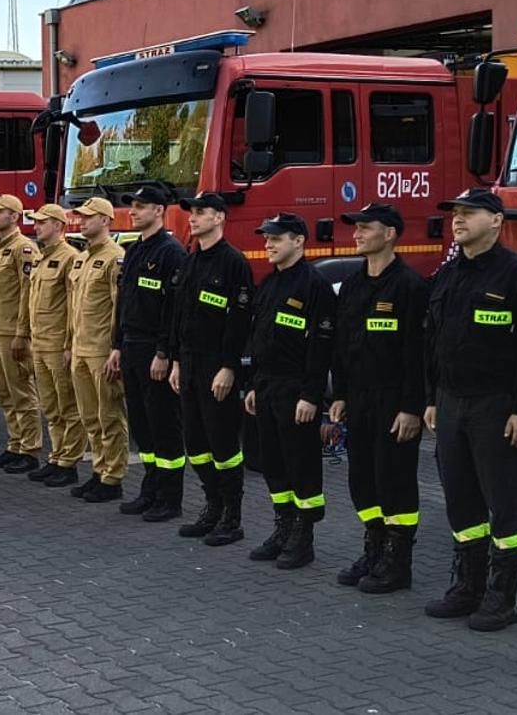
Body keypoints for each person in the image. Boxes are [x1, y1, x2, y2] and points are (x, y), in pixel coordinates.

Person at [423, 188, 517, 632]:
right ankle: (467, 586)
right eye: (454, 212)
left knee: (505, 503)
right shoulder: (449, 274)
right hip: (452, 403)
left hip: (497, 406)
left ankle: (501, 597)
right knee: (461, 499)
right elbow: (433, 342)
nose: (458, 219)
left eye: (469, 213)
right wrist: (432, 398)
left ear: (496, 220)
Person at [328, 203, 429, 592]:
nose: (356, 234)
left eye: (365, 228)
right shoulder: (353, 285)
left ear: (389, 234)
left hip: (394, 402)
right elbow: (342, 344)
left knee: (395, 481)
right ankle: (374, 547)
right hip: (359, 399)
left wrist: (411, 407)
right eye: (356, 227)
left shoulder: (409, 287)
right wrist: (339, 394)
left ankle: (397, 560)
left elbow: (416, 355)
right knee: (362, 480)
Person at [242, 213, 335, 568]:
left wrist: (312, 396)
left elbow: (321, 347)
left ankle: (303, 536)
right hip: (267, 387)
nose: (268, 244)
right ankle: (283, 525)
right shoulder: (269, 284)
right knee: (274, 464)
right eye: (267, 238)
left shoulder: (314, 286)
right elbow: (261, 339)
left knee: (302, 464)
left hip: (297, 389)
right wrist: (253, 385)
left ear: (298, 240)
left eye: (276, 238)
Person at [162, 193, 253, 547]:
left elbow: (240, 321)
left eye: (201, 213)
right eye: (192, 213)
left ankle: (232, 516)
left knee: (223, 444)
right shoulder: (190, 261)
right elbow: (178, 316)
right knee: (196, 444)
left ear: (219, 218)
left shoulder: (233, 263)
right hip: (189, 363)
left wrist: (230, 367)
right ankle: (212, 506)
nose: (193, 218)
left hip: (217, 366)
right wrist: (176, 361)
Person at [113, 185, 187, 522]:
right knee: (142, 425)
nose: (134, 212)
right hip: (130, 346)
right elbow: (124, 303)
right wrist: (116, 345)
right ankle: (150, 487)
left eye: (141, 207)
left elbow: (174, 311)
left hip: (153, 351)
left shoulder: (171, 253)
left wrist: (164, 353)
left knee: (163, 424)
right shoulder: (133, 250)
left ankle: (170, 498)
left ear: (159, 210)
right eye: (133, 206)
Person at [65, 197, 129, 503]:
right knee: (90, 416)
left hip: (101, 350)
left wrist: (116, 348)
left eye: (88, 217)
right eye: (80, 216)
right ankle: (99, 470)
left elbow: (119, 308)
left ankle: (113, 477)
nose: (81, 221)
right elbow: (75, 307)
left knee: (109, 416)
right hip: (80, 347)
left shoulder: (115, 258)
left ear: (105, 220)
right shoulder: (82, 258)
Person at [23, 203, 90, 488]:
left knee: (68, 406)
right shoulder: (40, 258)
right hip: (39, 342)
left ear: (59, 226)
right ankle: (56, 456)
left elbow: (74, 306)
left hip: (57, 342)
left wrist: (69, 344)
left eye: (42, 222)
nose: (36, 227)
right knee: (50, 406)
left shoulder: (70, 258)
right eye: (36, 222)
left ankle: (69, 462)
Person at [0, 194, 44, 474]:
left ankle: (29, 449)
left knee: (22, 392)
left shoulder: (24, 249)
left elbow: (28, 294)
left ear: (14, 217)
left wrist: (22, 333)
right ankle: (15, 443)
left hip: (10, 332)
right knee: (4, 393)